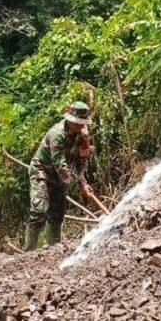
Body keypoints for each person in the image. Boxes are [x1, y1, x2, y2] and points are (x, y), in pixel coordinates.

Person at [24, 102, 101, 250]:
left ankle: (54, 249)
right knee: (39, 209)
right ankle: (28, 251)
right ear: (69, 119)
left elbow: (82, 161)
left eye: (82, 123)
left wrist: (83, 181)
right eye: (77, 122)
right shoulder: (57, 134)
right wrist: (76, 183)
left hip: (61, 174)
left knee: (57, 213)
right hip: (43, 171)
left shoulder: (83, 136)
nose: (79, 126)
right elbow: (60, 165)